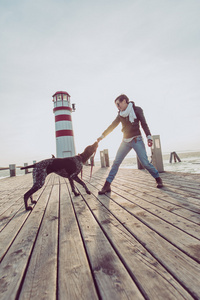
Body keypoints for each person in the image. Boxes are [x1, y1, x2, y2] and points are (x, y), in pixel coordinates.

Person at [97, 94, 163, 194]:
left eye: (118, 104)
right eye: (116, 106)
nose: (118, 107)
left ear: (124, 101)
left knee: (145, 163)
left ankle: (158, 178)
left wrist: (149, 137)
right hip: (125, 141)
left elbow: (144, 124)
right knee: (116, 163)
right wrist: (102, 136)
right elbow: (112, 126)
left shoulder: (137, 110)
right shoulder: (120, 114)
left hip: (137, 140)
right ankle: (107, 185)